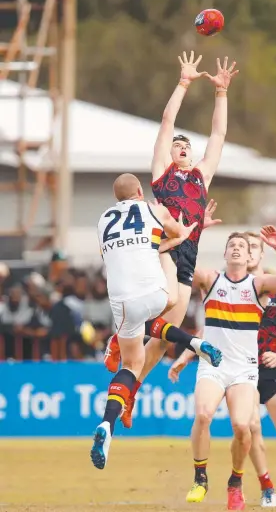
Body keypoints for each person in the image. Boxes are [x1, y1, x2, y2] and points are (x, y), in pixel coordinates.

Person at [104, 51, 238, 425]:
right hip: (163, 248)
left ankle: (131, 391)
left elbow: (219, 134)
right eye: (177, 144)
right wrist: (183, 83)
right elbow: (166, 122)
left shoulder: (200, 176)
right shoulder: (162, 175)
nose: (181, 147)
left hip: (189, 252)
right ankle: (118, 339)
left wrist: (221, 93)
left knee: (164, 337)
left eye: (186, 145)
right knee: (165, 306)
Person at [169, 231, 276, 509]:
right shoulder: (212, 280)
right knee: (215, 418)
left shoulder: (263, 286)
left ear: (254, 255)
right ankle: (214, 479)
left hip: (255, 367)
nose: (238, 249)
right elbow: (184, 267)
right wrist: (190, 230)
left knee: (268, 430)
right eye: (232, 245)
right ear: (224, 253)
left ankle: (252, 474)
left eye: (245, 246)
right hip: (215, 364)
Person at [90, 173, 222, 470]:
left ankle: (106, 427)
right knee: (171, 301)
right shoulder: (154, 208)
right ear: (140, 191)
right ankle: (194, 342)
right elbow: (179, 233)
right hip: (155, 293)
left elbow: (108, 253)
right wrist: (193, 227)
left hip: (122, 300)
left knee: (129, 366)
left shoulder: (101, 220)